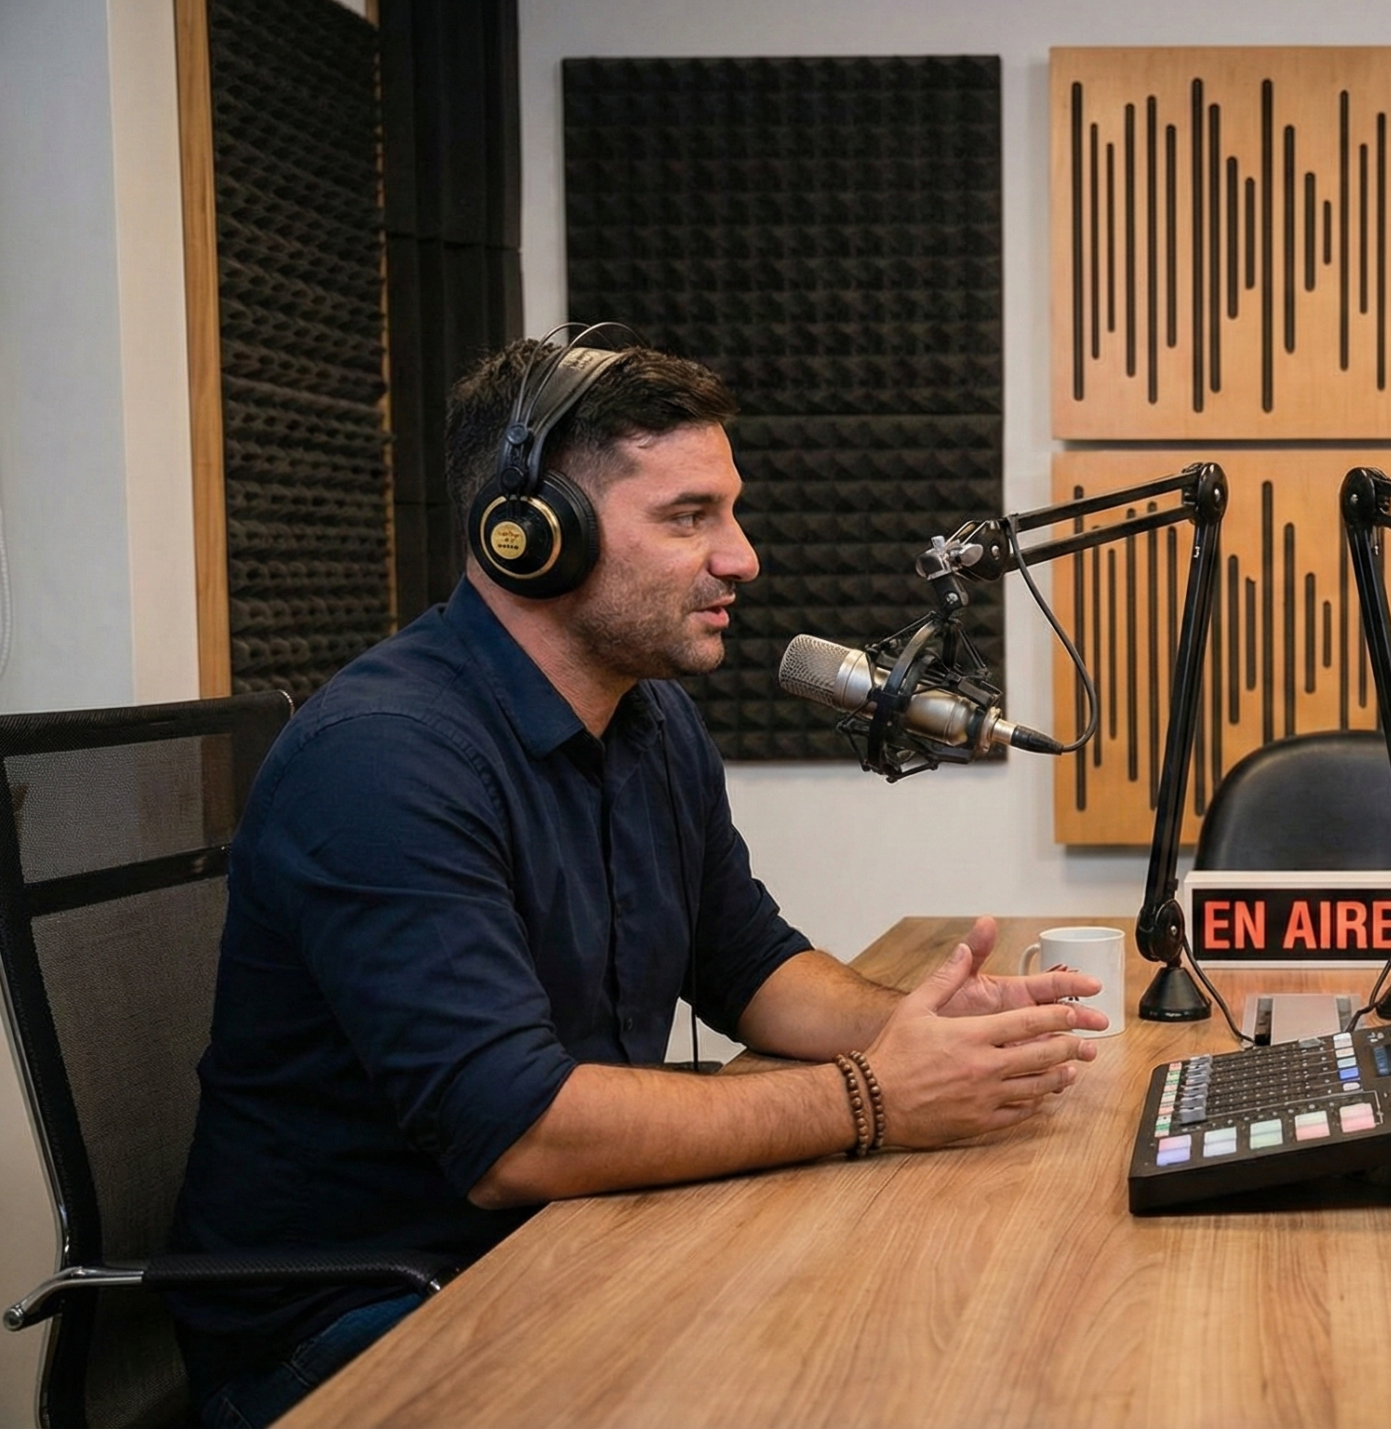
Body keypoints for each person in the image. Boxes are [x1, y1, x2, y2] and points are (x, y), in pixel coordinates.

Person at [166, 331, 1106, 1428]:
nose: (743, 557)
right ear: (531, 536)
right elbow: (518, 1136)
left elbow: (749, 964)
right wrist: (875, 1097)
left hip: (563, 1248)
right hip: (357, 1328)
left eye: (730, 511)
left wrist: (930, 1033)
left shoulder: (647, 718)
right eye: (688, 516)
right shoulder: (383, 759)